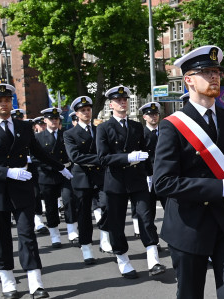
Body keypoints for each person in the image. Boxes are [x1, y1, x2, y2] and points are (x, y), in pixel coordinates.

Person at [153, 45, 224, 299]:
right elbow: (163, 183)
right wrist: (219, 188)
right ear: (188, 80)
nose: (215, 77)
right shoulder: (172, 126)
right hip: (190, 224)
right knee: (190, 294)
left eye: (217, 72)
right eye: (207, 72)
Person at [0, 84, 73, 299]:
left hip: (22, 191)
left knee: (27, 236)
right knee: (1, 237)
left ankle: (36, 282)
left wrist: (60, 167)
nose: (5, 104)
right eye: (0, 101)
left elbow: (39, 153)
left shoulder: (23, 127)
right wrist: (7, 172)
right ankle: (8, 280)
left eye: (8, 100)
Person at [96, 85, 165, 279]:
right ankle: (123, 260)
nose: (123, 102)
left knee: (145, 217)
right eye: (118, 100)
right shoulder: (104, 128)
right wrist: (127, 158)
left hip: (137, 180)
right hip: (116, 181)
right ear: (111, 105)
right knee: (117, 223)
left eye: (125, 99)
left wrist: (151, 174)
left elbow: (145, 153)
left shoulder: (136, 127)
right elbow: (103, 158)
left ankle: (153, 260)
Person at [64, 95, 110, 264]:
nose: (86, 113)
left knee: (108, 206)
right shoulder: (70, 134)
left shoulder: (99, 130)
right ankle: (86, 248)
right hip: (82, 178)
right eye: (83, 110)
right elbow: (75, 156)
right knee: (83, 215)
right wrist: (100, 159)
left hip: (100, 177)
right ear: (76, 113)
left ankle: (105, 240)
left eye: (88, 110)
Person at [35, 107, 77, 247]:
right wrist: (53, 167)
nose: (54, 121)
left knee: (69, 200)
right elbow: (36, 159)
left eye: (56, 119)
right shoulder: (38, 137)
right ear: (45, 120)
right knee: (51, 206)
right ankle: (55, 236)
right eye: (51, 119)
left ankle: (72, 231)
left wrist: (67, 168)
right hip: (47, 175)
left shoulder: (66, 134)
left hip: (65, 173)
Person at [140, 102, 165, 215]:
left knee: (169, 208)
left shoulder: (165, 132)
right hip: (149, 175)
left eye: (156, 114)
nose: (154, 117)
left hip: (164, 174)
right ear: (144, 117)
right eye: (150, 115)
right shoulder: (141, 134)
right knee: (149, 211)